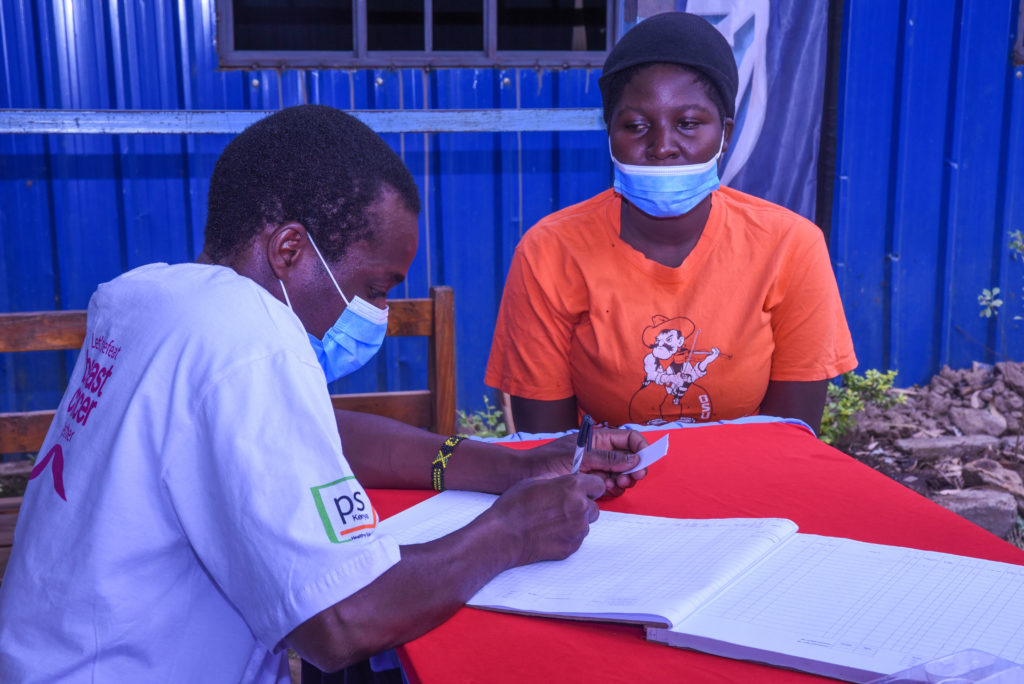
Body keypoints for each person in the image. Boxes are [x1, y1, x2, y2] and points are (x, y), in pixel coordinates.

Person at [0, 104, 647, 682]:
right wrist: (513, 531)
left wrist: (510, 465)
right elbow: (342, 621)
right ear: (289, 249)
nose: (377, 314)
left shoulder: (154, 298)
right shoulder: (246, 338)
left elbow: (316, 433)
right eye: (374, 288)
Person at [485, 11, 857, 435]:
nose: (662, 146)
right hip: (599, 492)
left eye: (688, 124)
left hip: (745, 490)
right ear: (610, 135)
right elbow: (549, 448)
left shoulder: (791, 247)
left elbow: (788, 439)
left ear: (725, 136)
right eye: (637, 126)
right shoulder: (549, 252)